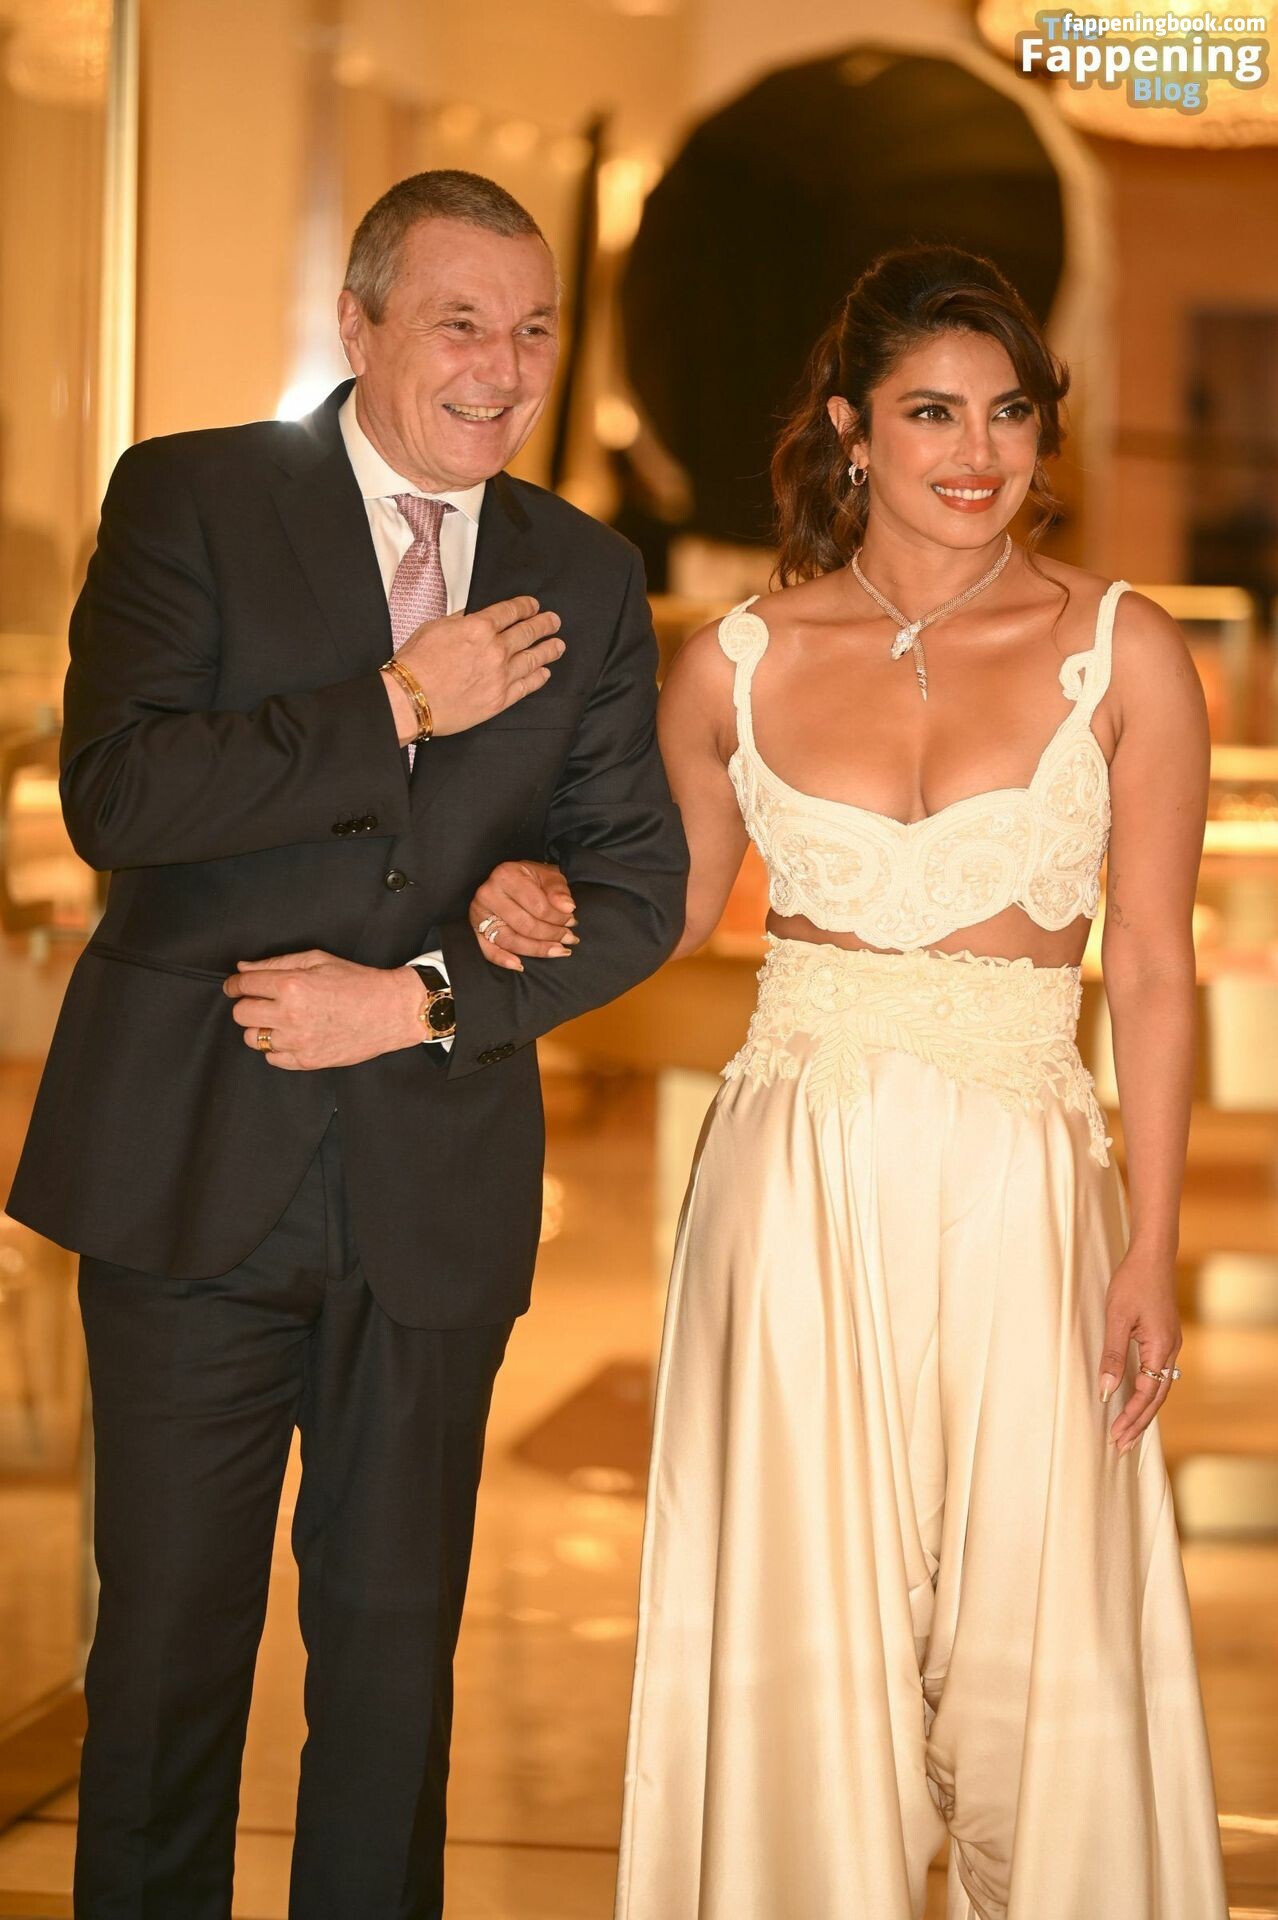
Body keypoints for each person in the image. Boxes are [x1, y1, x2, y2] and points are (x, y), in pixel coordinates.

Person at [472, 245, 1230, 1919]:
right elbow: (664, 914)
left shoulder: (1123, 650)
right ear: (850, 429)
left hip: (1026, 1181)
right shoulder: (733, 661)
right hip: (792, 1180)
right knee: (803, 1621)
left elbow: (1151, 967)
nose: (977, 451)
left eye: (1007, 412)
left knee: (1039, 1628)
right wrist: (526, 900)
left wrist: (1148, 1245)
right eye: (930, 412)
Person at [6, 169, 686, 1920]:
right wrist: (398, 701)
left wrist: (444, 980)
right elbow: (118, 796)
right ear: (359, 324)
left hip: (432, 1189)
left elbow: (634, 889)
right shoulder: (192, 498)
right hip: (189, 1172)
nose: (501, 370)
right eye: (460, 324)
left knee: (391, 1669)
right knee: (164, 1659)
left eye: (530, 332)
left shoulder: (584, 571)